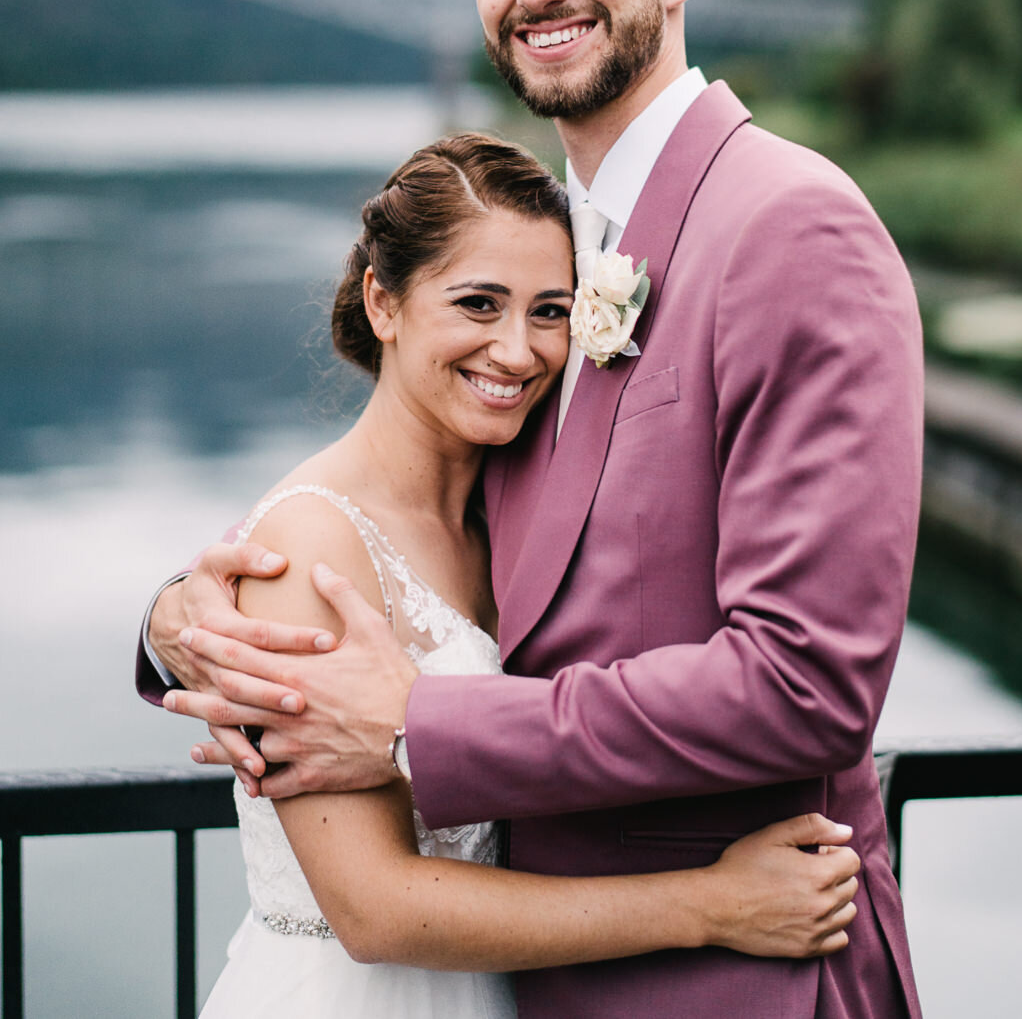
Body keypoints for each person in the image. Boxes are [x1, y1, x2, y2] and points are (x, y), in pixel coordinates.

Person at [141, 0, 925, 1016]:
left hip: (740, 979)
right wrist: (192, 617)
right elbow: (420, 529)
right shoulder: (557, 256)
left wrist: (418, 727)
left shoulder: (789, 225)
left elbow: (806, 684)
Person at [189, 133, 863, 1015]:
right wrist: (712, 905)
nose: (518, 352)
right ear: (382, 303)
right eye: (478, 304)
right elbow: (375, 911)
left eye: (550, 311)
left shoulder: (507, 511)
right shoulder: (307, 548)